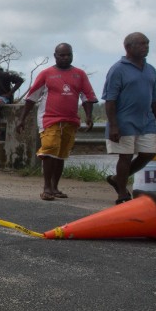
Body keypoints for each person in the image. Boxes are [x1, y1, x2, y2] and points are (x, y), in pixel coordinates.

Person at [16, 43, 97, 201]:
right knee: (49, 150)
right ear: (55, 56)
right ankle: (46, 187)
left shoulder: (80, 74)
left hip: (70, 120)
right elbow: (32, 98)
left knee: (61, 155)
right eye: (62, 55)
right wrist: (22, 119)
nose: (66, 58)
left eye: (68, 55)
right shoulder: (46, 74)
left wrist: (88, 116)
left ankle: (55, 187)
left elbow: (87, 97)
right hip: (49, 119)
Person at [102, 32, 156, 204]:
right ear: (128, 47)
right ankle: (122, 193)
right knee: (125, 156)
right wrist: (113, 126)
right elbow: (110, 100)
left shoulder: (151, 70)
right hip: (123, 121)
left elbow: (155, 99)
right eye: (141, 43)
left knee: (148, 153)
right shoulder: (118, 69)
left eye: (147, 43)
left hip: (146, 121)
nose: (146, 46)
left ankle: (117, 179)